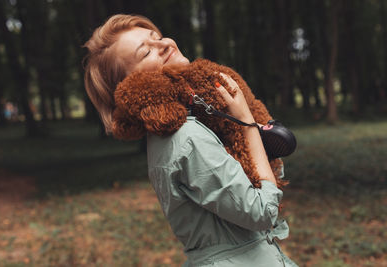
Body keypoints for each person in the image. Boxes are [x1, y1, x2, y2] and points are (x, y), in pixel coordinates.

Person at [83, 14, 298, 267]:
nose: (165, 45)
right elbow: (262, 211)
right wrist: (247, 123)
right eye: (145, 52)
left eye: (158, 37)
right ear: (131, 84)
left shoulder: (173, 130)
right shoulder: (184, 136)